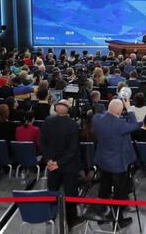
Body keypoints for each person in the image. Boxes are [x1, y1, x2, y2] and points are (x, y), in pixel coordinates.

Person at [92, 98, 140, 228]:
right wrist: (129, 108)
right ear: (120, 112)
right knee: (119, 193)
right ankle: (118, 219)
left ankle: (101, 216)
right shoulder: (121, 125)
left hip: (102, 162)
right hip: (118, 165)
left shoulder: (97, 119)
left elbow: (99, 113)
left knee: (103, 189)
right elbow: (136, 125)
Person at [40, 99, 82, 230]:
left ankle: (50, 217)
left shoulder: (47, 121)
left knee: (52, 192)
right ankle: (71, 221)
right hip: (68, 166)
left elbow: (42, 143)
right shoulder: (73, 125)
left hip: (52, 165)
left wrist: (49, 161)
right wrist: (58, 163)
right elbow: (73, 149)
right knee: (70, 195)